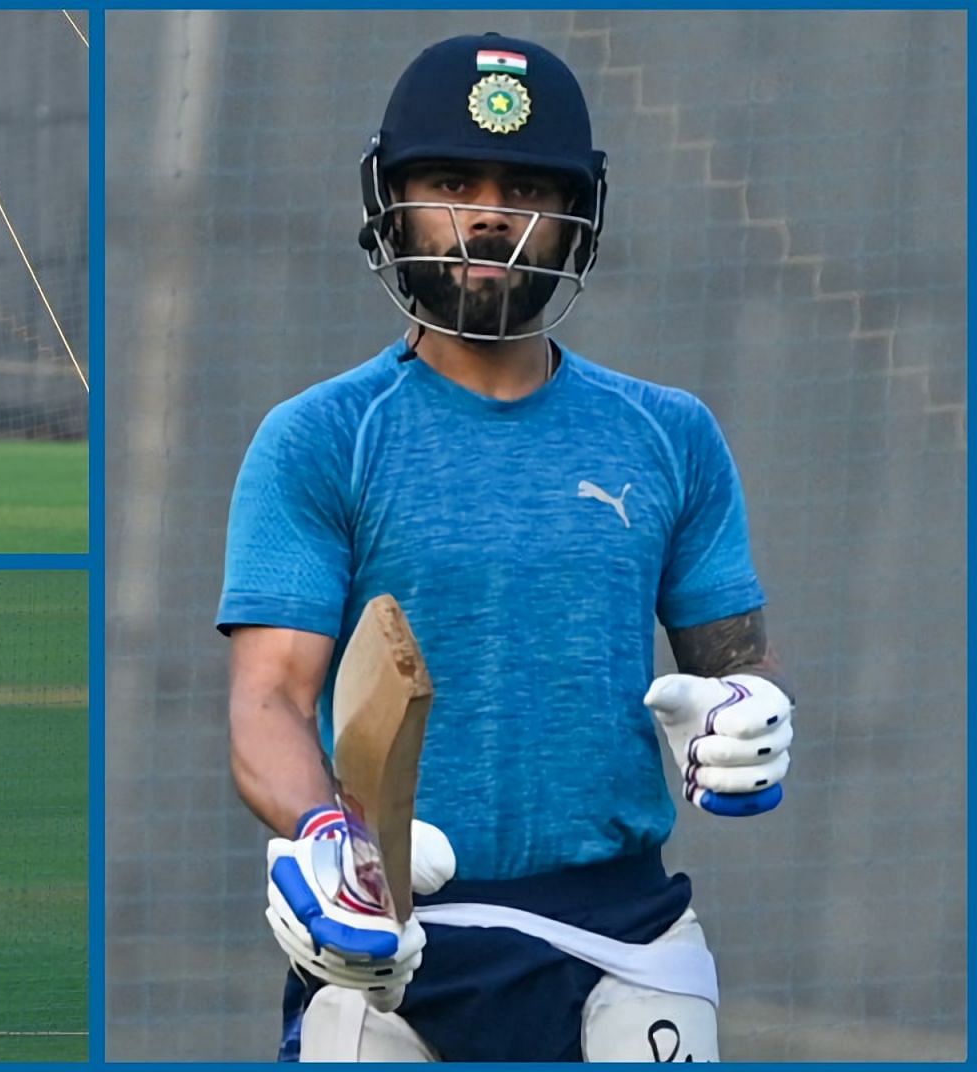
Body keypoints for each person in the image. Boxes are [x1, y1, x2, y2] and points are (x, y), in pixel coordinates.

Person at [218, 33, 796, 1062]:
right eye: (451, 180)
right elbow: (267, 698)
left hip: (625, 938)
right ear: (389, 202)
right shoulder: (317, 437)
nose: (489, 214)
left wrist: (746, 714)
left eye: (527, 186)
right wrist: (323, 841)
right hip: (385, 933)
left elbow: (733, 666)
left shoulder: (671, 434)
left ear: (581, 216)